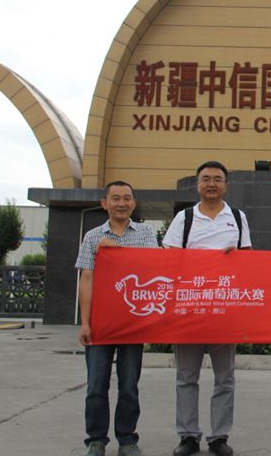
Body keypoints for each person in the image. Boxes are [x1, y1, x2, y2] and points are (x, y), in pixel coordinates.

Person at [162, 160, 252, 456]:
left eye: (217, 179)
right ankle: (188, 436)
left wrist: (236, 257)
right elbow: (169, 260)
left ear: (226, 185)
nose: (211, 183)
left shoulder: (237, 217)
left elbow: (249, 260)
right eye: (206, 178)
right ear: (197, 184)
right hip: (189, 309)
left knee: (225, 379)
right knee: (186, 377)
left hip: (224, 310)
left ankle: (219, 437)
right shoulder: (184, 218)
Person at [75, 181, 159, 456]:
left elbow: (151, 270)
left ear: (134, 203)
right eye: (115, 198)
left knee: (129, 385)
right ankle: (96, 439)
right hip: (101, 324)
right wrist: (85, 322)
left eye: (127, 198)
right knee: (96, 385)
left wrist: (115, 253)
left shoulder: (146, 233)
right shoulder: (92, 237)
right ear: (105, 203)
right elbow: (86, 279)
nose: (121, 203)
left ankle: (127, 439)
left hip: (133, 323)